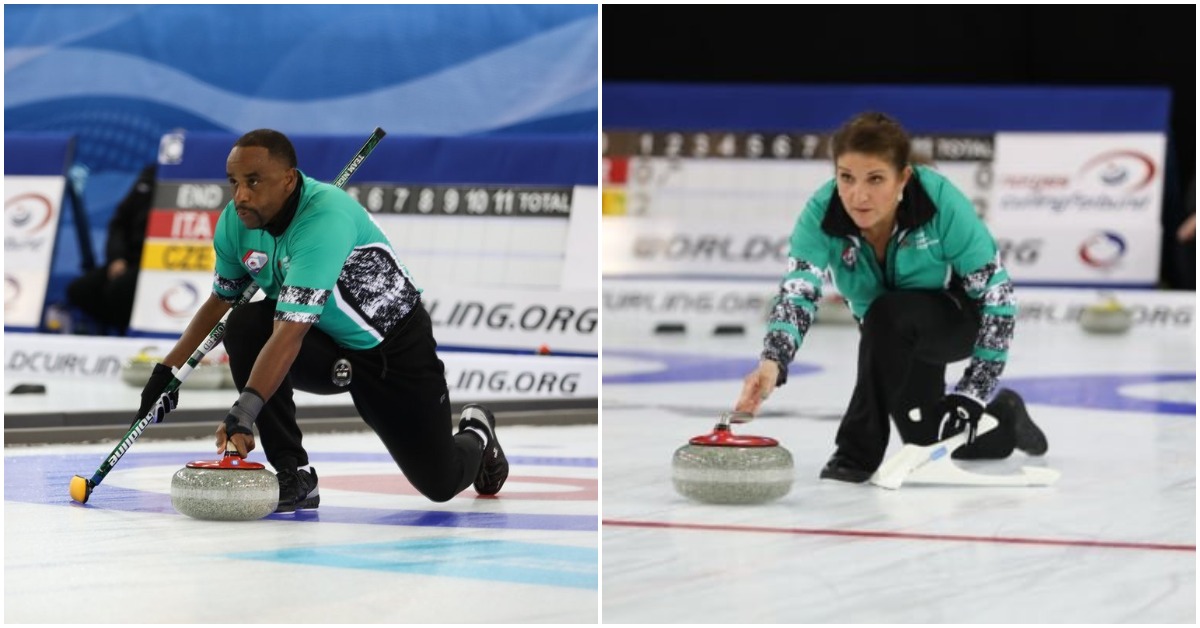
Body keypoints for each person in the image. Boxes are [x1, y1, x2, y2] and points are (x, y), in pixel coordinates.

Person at [135, 129, 507, 511]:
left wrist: (243, 413)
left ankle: (478, 432)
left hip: (393, 351)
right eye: (234, 182)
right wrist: (167, 371)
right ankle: (293, 473)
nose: (241, 195)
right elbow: (220, 302)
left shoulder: (323, 220)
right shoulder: (236, 222)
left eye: (254, 181)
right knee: (246, 323)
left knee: (440, 482)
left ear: (289, 180)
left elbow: (289, 333)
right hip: (327, 347)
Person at [734, 111, 1047, 483]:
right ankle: (1006, 418)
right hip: (890, 335)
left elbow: (998, 299)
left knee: (888, 312)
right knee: (928, 440)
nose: (858, 195)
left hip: (959, 319)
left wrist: (974, 389)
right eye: (846, 177)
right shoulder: (821, 214)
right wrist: (773, 362)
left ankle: (855, 454)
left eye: (875, 179)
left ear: (904, 178)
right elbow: (797, 294)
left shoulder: (941, 203)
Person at [66, 162, 156, 333]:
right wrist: (116, 258)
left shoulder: (186, 181)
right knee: (80, 290)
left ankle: (130, 331)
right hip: (128, 259)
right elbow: (119, 224)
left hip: (156, 262)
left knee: (118, 290)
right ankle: (113, 333)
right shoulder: (149, 176)